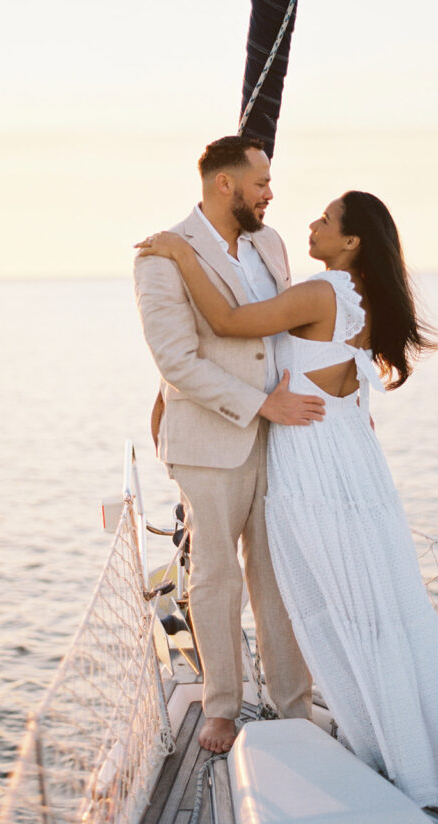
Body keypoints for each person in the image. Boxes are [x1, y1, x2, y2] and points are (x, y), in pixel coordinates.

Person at [136, 189, 438, 807]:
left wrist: (179, 251)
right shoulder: (366, 299)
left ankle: (389, 747)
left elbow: (230, 324)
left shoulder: (323, 291)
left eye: (327, 219)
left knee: (333, 601)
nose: (311, 223)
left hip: (310, 460)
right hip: (352, 463)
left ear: (352, 241)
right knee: (375, 603)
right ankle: (413, 746)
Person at [133, 135, 320, 754]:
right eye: (261, 183)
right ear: (225, 185)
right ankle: (221, 709)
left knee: (280, 577)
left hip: (283, 437)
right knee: (215, 579)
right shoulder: (161, 256)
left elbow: (287, 333)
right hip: (211, 441)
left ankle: (294, 707)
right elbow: (176, 360)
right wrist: (259, 402)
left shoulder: (271, 244)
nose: (271, 194)